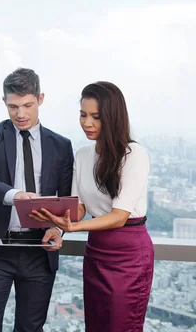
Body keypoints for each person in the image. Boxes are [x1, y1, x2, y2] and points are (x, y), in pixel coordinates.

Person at [34, 81, 154, 332]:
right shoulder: (83, 154)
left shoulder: (133, 154)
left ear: (112, 117)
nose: (87, 123)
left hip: (129, 256)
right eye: (83, 115)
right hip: (96, 252)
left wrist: (73, 226)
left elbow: (119, 216)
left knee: (123, 326)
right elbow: (78, 207)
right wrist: (56, 220)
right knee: (96, 326)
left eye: (96, 117)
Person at [0, 67, 74, 332]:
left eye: (27, 105)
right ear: (4, 102)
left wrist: (56, 229)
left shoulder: (60, 145)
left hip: (39, 251)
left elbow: (67, 197)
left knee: (30, 328)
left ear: (40, 99)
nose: (20, 114)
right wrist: (15, 196)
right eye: (13, 107)